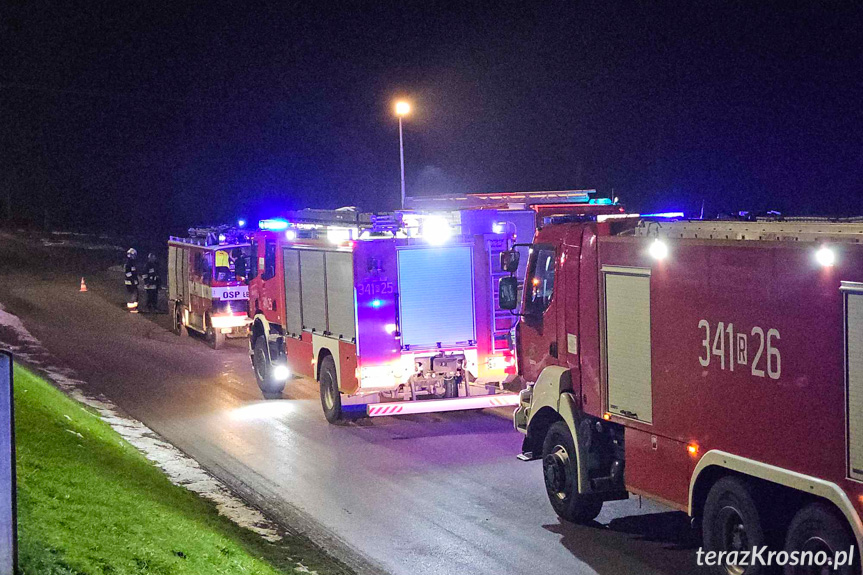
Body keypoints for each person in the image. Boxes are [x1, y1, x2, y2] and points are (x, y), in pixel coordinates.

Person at [124, 248, 140, 313]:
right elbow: (128, 273)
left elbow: (134, 273)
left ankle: (134, 307)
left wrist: (136, 280)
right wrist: (133, 281)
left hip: (132, 282)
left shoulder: (132, 263)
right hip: (130, 282)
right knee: (133, 294)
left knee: (136, 294)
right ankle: (132, 308)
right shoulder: (128, 263)